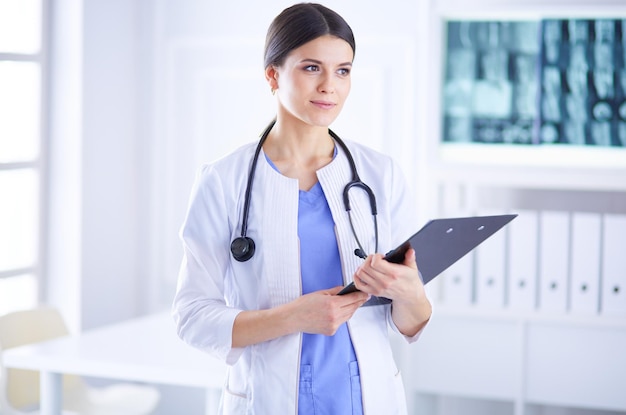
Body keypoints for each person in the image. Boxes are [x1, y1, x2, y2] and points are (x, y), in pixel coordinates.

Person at [172, 3, 432, 414]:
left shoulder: (381, 175)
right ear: (273, 75)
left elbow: (412, 322)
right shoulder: (223, 182)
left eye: (343, 70)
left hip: (364, 398)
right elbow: (191, 316)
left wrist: (410, 292)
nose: (330, 85)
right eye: (312, 68)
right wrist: (293, 317)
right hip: (267, 399)